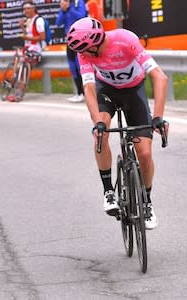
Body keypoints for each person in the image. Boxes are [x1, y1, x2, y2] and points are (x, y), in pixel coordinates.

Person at [66, 17, 168, 229]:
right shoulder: (84, 53)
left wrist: (157, 117)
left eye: (84, 50)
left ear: (94, 43)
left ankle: (147, 203)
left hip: (133, 92)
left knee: (145, 153)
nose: (81, 54)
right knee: (100, 133)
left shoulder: (124, 39)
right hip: (107, 92)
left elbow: (160, 77)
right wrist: (97, 122)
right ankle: (108, 191)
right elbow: (89, 88)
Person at [56, 0, 87, 103]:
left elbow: (82, 17)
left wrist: (69, 9)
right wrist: (63, 10)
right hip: (70, 41)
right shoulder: (64, 5)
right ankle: (79, 93)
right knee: (73, 68)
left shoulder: (79, 3)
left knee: (80, 67)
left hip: (81, 40)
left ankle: (87, 93)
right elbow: (58, 23)